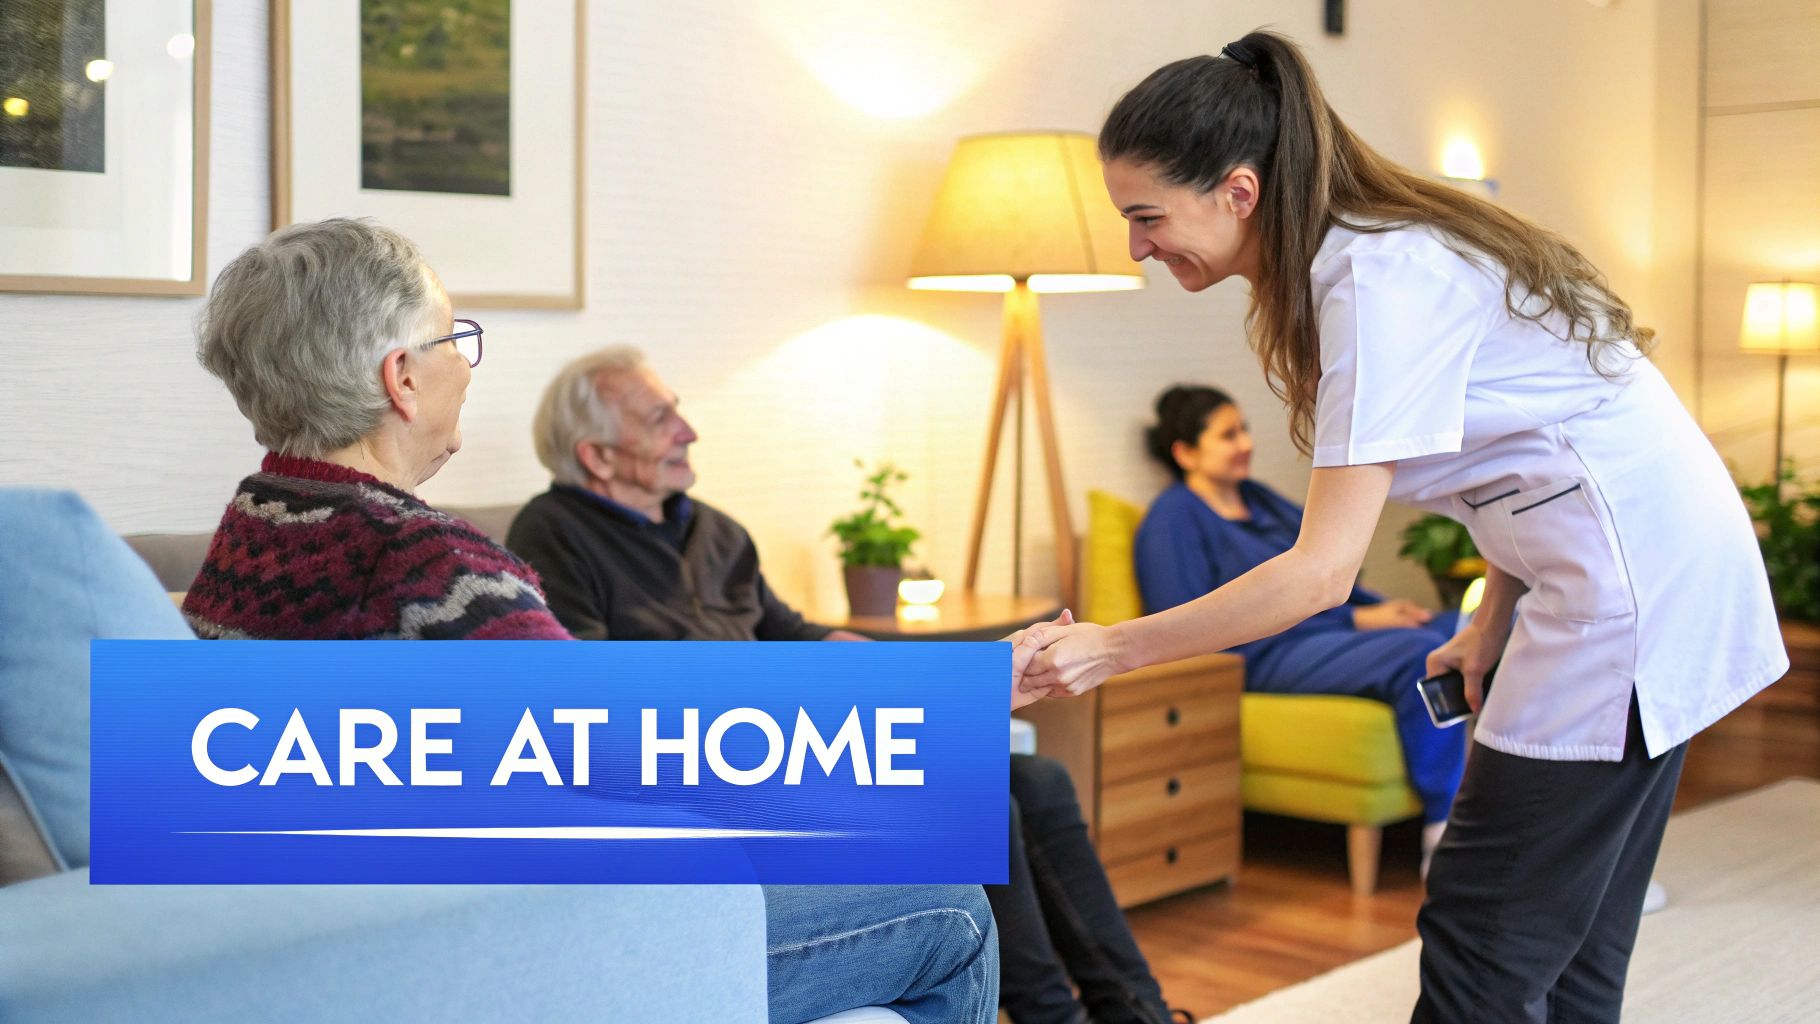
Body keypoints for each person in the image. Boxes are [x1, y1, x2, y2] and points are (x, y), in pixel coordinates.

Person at [1015, 32, 1786, 1024]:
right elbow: (1527, 456)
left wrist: (1106, 649)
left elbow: (1316, 577)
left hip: (1624, 595)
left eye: (1145, 217)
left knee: (1482, 933)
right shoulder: (1371, 255)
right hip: (1626, 568)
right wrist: (1484, 615)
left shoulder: (1375, 284)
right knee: (1571, 943)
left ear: (1237, 192)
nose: (1135, 246)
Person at [182, 219, 1000, 1024]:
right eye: (452, 340)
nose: (464, 366)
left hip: (364, 932)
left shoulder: (248, 535)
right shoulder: (430, 565)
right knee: (950, 905)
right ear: (401, 378)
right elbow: (625, 760)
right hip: (512, 955)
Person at [509, 348, 1182, 1024]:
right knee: (973, 794)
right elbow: (591, 692)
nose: (687, 430)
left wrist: (923, 673)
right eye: (661, 418)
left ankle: (1136, 1011)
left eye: (678, 410)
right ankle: (1050, 1016)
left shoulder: (713, 529)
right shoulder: (550, 535)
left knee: (1037, 780)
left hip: (787, 737)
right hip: (713, 761)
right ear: (596, 456)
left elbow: (795, 633)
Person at [1135, 384, 1464, 863]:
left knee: (1465, 628)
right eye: (1228, 435)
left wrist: (1385, 608)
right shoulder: (1173, 519)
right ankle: (1445, 827)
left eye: (1243, 429)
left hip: (1324, 633)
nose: (1246, 442)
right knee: (1421, 654)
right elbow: (1188, 625)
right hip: (1259, 656)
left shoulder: (1259, 499)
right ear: (1184, 452)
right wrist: (1360, 620)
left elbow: (1327, 568)